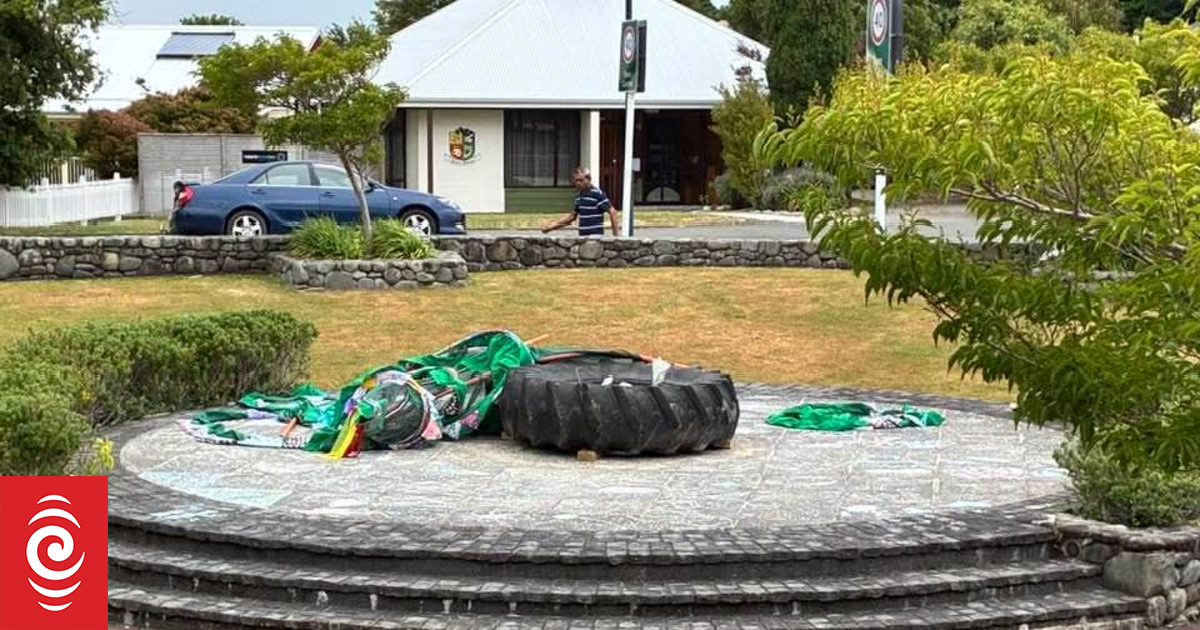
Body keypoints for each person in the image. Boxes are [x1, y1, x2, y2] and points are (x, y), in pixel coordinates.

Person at [541, 167, 620, 237]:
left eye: (581, 180)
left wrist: (615, 237)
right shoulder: (579, 197)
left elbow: (613, 212)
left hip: (595, 236)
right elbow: (571, 217)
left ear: (589, 179)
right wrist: (551, 227)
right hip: (583, 236)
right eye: (576, 180)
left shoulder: (597, 194)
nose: (578, 183)